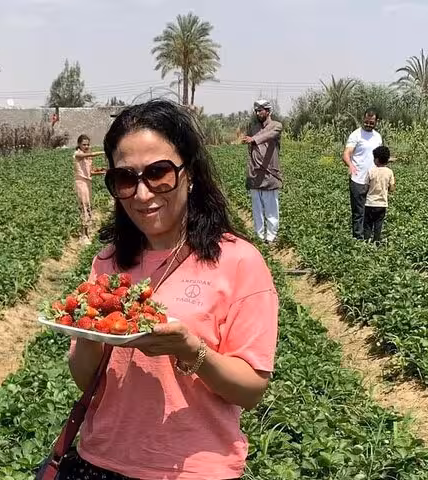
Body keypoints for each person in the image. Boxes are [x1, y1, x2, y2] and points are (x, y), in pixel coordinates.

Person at [66, 100, 279, 479]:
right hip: (100, 461)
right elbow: (87, 380)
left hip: (194, 468)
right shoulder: (109, 263)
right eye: (126, 179)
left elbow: (250, 391)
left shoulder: (238, 262)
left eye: (159, 174)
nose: (143, 194)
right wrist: (86, 330)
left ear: (190, 173)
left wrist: (191, 350)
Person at [241, 99, 283, 245]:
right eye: (257, 110)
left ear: (268, 111)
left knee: (271, 207)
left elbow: (269, 135)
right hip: (255, 173)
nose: (259, 113)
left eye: (261, 110)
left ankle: (271, 236)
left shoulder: (276, 126)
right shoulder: (252, 128)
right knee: (257, 208)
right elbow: (250, 150)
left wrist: (254, 139)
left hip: (270, 173)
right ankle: (259, 237)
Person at [342, 109, 383, 239]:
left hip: (373, 180)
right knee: (358, 212)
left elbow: (380, 157)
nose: (368, 124)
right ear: (363, 119)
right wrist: (350, 165)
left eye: (371, 122)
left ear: (376, 122)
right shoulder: (356, 135)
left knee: (372, 211)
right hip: (358, 179)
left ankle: (369, 238)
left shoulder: (378, 137)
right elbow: (346, 153)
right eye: (366, 122)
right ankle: (358, 240)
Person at [73, 134, 104, 236]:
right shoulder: (77, 154)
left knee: (88, 205)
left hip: (88, 182)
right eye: (84, 144)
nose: (86, 146)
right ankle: (84, 233)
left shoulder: (88, 157)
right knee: (84, 205)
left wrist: (103, 172)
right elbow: (84, 156)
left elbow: (90, 172)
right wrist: (103, 152)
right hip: (81, 183)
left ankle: (88, 230)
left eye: (87, 144)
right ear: (79, 144)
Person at [364, 146, 395, 244]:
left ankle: (366, 241)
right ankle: (376, 242)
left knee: (368, 224)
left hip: (369, 203)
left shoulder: (370, 171)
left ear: (376, 159)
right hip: (382, 204)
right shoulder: (389, 172)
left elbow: (365, 187)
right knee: (378, 224)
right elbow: (392, 188)